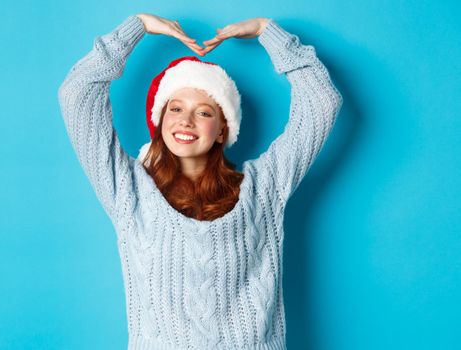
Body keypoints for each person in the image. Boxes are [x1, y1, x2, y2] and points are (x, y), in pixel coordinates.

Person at [58, 13, 343, 350]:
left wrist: (269, 32)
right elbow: (77, 93)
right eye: (175, 108)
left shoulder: (264, 187)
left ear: (223, 128)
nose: (186, 121)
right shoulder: (129, 190)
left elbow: (322, 102)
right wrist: (138, 26)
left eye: (205, 112)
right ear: (160, 120)